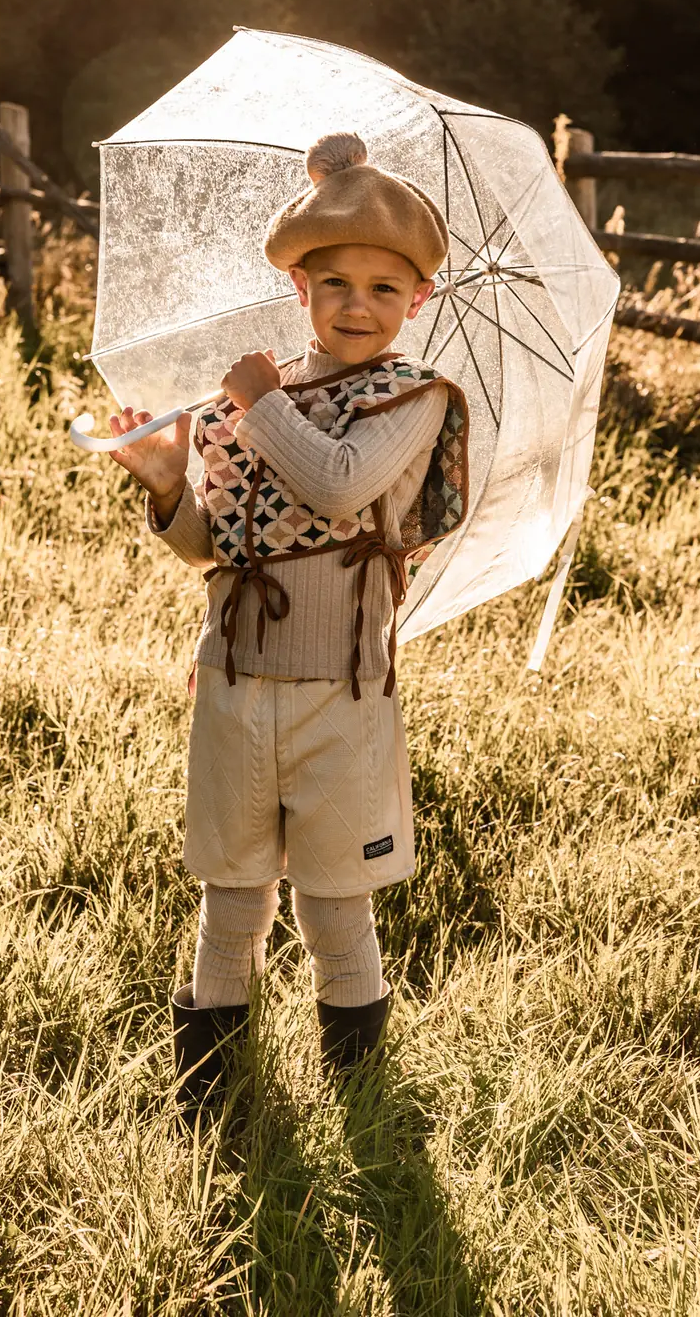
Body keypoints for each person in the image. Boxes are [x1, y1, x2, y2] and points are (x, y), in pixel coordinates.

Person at [107, 131, 469, 1117]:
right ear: (297, 286)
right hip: (231, 682)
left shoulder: (411, 397)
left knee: (332, 904)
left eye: (383, 289)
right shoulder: (241, 407)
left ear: (416, 301)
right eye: (335, 282)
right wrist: (168, 480)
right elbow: (211, 546)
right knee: (229, 898)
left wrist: (261, 397)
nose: (358, 306)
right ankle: (208, 1095)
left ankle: (358, 1096)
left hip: (342, 698)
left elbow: (338, 484)